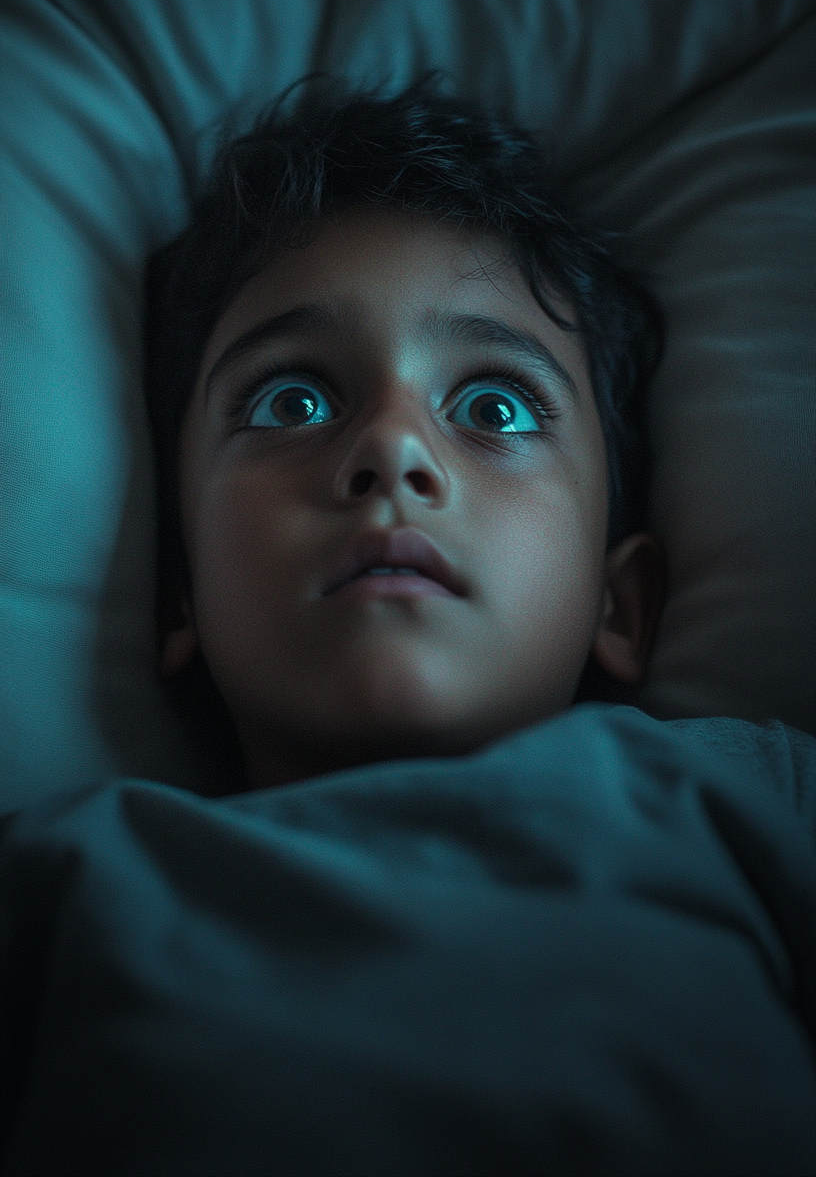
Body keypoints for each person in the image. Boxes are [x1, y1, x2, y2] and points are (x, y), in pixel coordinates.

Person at [143, 78, 665, 790]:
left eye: (495, 410)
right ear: (179, 594)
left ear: (621, 607)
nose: (393, 446)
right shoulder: (55, 882)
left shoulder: (764, 801)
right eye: (291, 404)